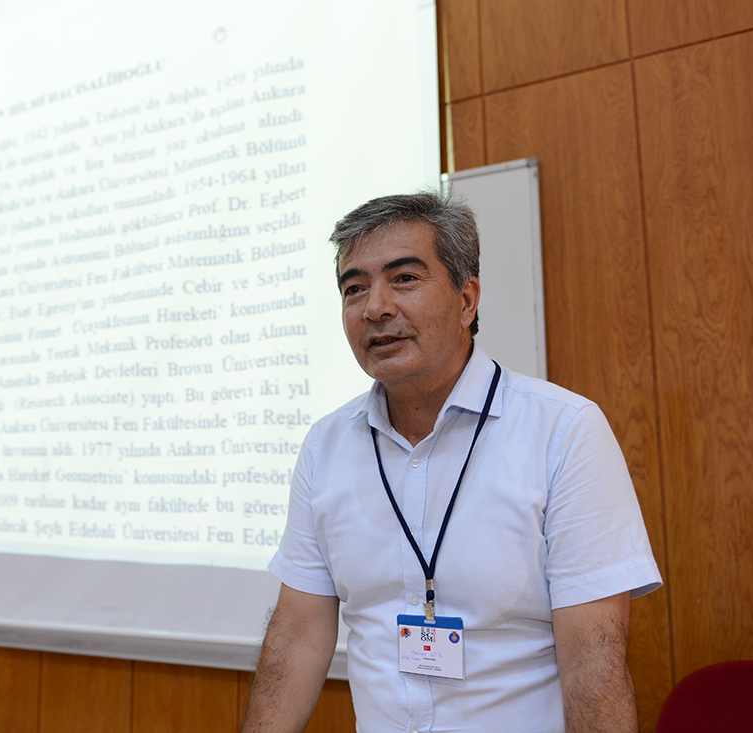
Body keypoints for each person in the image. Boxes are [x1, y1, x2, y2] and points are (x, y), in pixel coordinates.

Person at [241, 192, 662, 733]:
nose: (375, 308)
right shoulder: (326, 447)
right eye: (354, 288)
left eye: (404, 279)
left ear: (467, 301)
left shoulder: (563, 431)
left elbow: (593, 663)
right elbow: (297, 638)